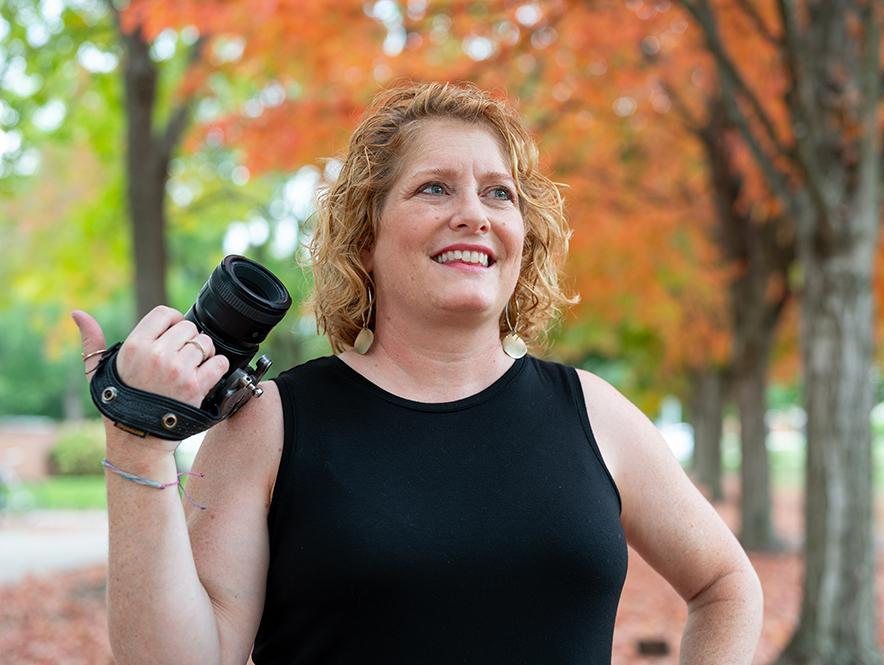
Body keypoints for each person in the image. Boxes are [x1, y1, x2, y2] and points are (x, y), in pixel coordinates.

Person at [73, 81, 762, 665]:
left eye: (500, 194)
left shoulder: (595, 412)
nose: (474, 215)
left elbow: (727, 583)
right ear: (366, 237)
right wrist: (137, 439)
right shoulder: (271, 424)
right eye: (435, 188)